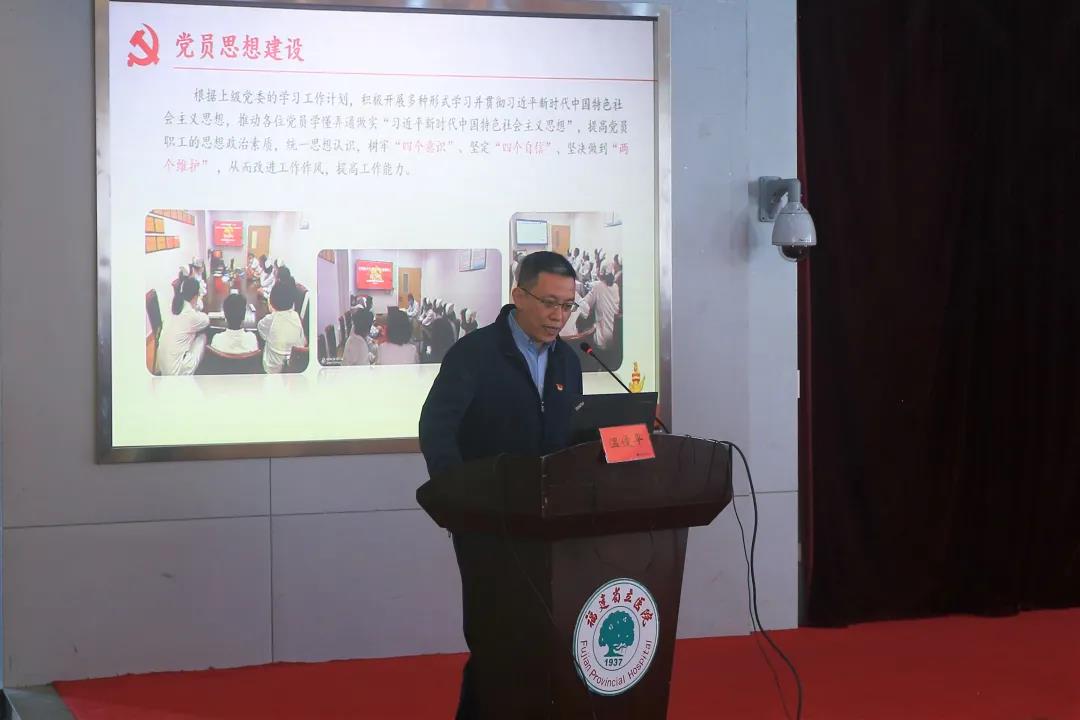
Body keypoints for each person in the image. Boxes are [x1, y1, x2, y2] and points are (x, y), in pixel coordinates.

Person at [418, 251, 583, 719]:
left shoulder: (568, 362)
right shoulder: (475, 354)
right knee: (496, 641)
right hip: (488, 522)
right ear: (518, 296)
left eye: (567, 305)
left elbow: (570, 436)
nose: (558, 316)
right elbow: (437, 428)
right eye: (549, 302)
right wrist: (459, 500)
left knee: (546, 640)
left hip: (551, 524)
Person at [157, 277, 210, 375]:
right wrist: (196, 306)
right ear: (196, 296)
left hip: (163, 368)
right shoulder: (190, 315)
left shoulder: (173, 307)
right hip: (176, 373)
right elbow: (206, 320)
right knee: (202, 336)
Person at [257, 281, 305, 374]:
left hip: (272, 369)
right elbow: (303, 342)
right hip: (294, 369)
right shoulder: (296, 316)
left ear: (272, 301)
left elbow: (261, 330)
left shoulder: (271, 318)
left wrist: (273, 312)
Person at [577, 261, 621, 353]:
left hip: (601, 340)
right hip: (616, 338)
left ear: (601, 273)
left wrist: (576, 297)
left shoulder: (598, 286)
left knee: (583, 330)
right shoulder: (615, 287)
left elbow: (583, 305)